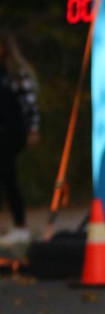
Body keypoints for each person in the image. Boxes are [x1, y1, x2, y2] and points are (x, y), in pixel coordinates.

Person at [0, 29, 38, 247]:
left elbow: (29, 102)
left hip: (11, 131)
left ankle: (20, 226)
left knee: (8, 176)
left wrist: (33, 128)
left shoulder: (15, 73)